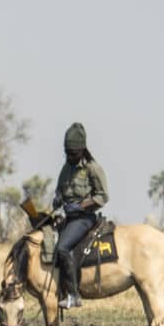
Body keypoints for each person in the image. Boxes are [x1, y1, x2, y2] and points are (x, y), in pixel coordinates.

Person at [51, 121, 109, 309]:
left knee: (62, 248)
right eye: (67, 152)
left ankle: (74, 295)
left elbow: (103, 196)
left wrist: (80, 206)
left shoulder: (92, 168)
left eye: (73, 153)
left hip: (84, 218)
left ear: (82, 150)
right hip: (68, 217)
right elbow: (60, 190)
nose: (69, 157)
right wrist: (58, 199)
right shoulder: (66, 167)